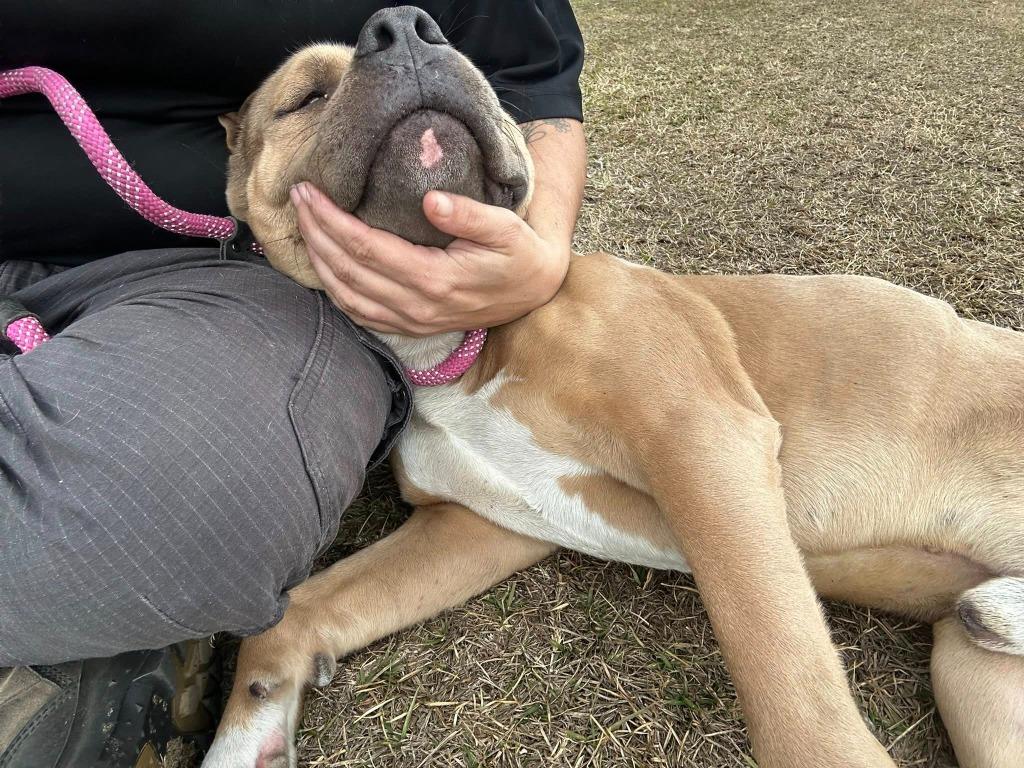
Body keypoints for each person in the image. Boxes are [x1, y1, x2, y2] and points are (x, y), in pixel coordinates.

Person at [0, 2, 586, 766]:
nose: (401, 39)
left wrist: (542, 251)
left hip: (216, 283)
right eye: (313, 97)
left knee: (163, 498)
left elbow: (531, 76)